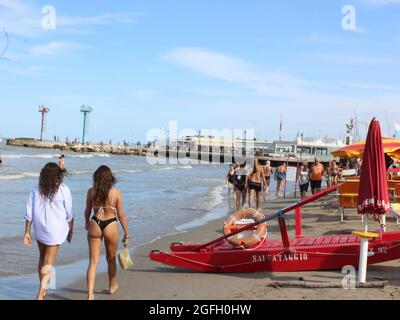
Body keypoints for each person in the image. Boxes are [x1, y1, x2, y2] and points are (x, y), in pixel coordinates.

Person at [23, 163, 74, 300]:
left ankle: (43, 289)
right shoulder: (63, 189)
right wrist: (70, 231)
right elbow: (70, 213)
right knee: (48, 262)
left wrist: (27, 232)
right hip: (55, 230)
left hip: (40, 229)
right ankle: (40, 294)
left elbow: (29, 213)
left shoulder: (36, 189)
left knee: (42, 259)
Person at [85, 166, 129, 300]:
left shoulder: (91, 192)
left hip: (95, 223)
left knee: (93, 262)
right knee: (111, 259)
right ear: (110, 178)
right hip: (110, 224)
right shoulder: (116, 193)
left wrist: (87, 223)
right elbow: (121, 215)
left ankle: (90, 294)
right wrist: (126, 233)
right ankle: (112, 285)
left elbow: (87, 210)